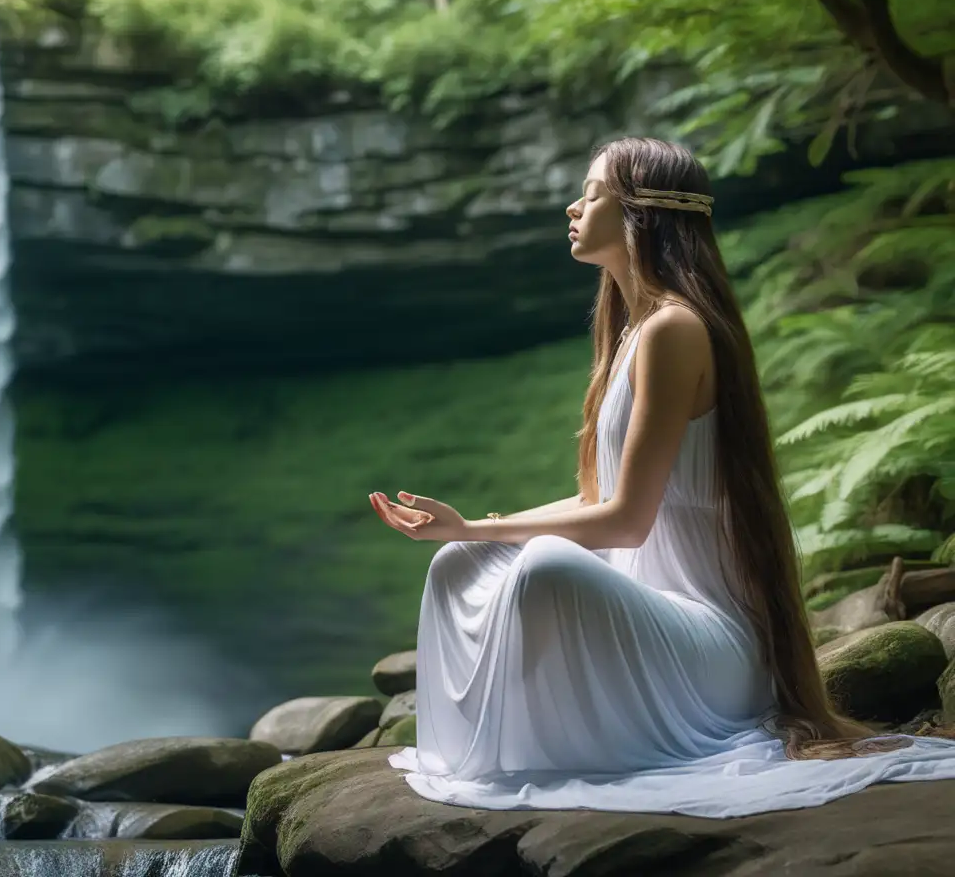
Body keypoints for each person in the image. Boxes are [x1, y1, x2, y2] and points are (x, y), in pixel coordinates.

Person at [367, 136, 955, 818]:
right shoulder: (629, 334)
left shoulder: (677, 329)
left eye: (591, 193)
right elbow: (597, 498)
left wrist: (484, 525)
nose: (573, 206)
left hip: (713, 649)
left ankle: (571, 744)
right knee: (457, 564)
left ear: (640, 212)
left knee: (543, 567)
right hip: (648, 615)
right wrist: (474, 531)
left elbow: (624, 519)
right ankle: (488, 751)